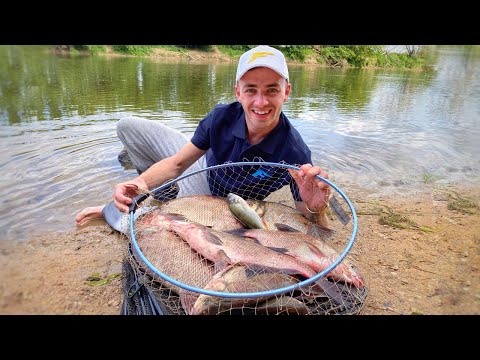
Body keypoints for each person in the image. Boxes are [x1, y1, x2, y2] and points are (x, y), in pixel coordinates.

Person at [75, 45, 331, 232]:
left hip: (226, 204)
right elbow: (177, 164)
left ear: (286, 92)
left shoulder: (295, 152)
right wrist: (137, 183)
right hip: (203, 171)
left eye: (272, 90)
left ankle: (127, 212)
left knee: (182, 220)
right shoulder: (220, 117)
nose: (261, 102)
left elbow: (313, 230)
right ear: (238, 93)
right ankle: (143, 198)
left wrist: (317, 209)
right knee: (128, 126)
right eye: (251, 90)